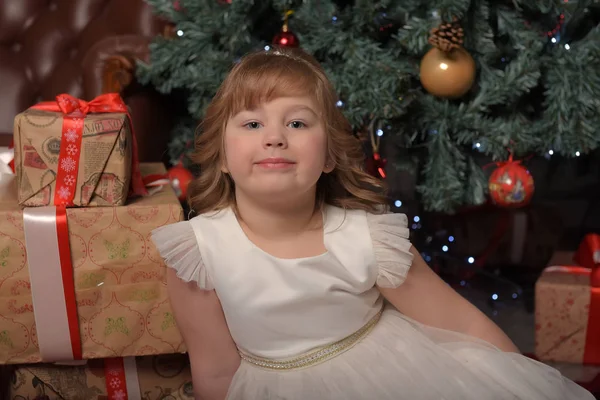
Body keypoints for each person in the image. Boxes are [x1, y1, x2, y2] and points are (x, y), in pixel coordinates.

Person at [151, 47, 593, 400]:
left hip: (388, 372)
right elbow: (213, 370)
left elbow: (461, 322)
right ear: (222, 156)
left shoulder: (366, 238)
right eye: (251, 122)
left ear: (327, 157)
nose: (274, 136)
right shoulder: (198, 252)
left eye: (297, 122)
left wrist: (515, 382)